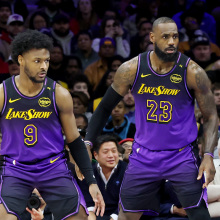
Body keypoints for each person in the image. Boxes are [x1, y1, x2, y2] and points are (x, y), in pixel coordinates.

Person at [84, 17, 218, 220]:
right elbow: (103, 108)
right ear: (152, 38)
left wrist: (208, 154)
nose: (172, 41)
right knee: (127, 215)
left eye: (175, 36)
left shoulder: (193, 72)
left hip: (181, 155)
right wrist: (88, 141)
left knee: (198, 213)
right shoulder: (132, 69)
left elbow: (210, 116)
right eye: (165, 37)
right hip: (143, 155)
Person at [0, 29, 105, 220]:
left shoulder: (59, 94)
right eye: (37, 61)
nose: (44, 67)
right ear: (21, 60)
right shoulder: (2, 93)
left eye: (46, 61)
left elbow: (74, 140)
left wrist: (91, 181)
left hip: (53, 167)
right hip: (16, 169)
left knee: (82, 217)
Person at [77, 134, 127, 220]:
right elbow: (88, 202)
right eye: (105, 152)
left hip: (121, 215)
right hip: (95, 214)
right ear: (95, 155)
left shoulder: (127, 171)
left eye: (114, 151)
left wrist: (114, 217)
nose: (111, 155)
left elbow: (127, 202)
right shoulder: (89, 172)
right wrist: (91, 216)